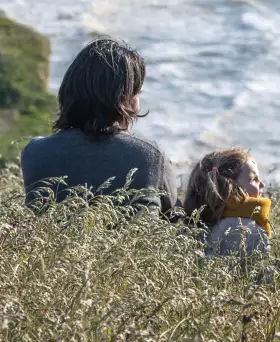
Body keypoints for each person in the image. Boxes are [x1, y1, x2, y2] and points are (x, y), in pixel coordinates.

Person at [21, 37, 177, 212]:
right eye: (138, 93)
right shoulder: (151, 156)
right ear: (125, 98)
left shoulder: (35, 153)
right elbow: (175, 219)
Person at [184, 147, 271, 257]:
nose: (262, 185)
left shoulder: (189, 230)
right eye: (254, 179)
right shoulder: (250, 231)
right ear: (229, 187)